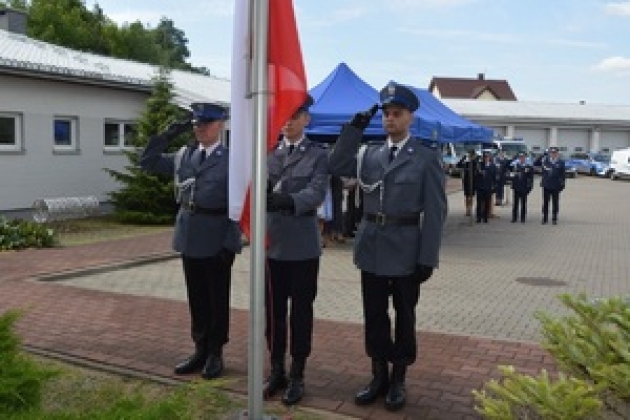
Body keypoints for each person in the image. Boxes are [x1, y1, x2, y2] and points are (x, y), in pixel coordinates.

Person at [328, 83, 447, 412]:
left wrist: (428, 257)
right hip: (372, 248)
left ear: (410, 117)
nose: (390, 119)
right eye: (386, 114)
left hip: (407, 250)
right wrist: (354, 130)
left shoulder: (425, 157)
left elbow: (436, 212)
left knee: (404, 316)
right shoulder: (369, 153)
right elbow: (335, 166)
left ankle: (398, 377)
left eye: (397, 114)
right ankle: (377, 374)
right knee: (374, 315)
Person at [139, 103, 242, 380]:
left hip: (217, 235)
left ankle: (216, 353)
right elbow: (147, 162)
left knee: (217, 299)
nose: (200, 129)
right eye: (196, 124)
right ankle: (199, 349)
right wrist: (166, 135)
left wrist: (231, 243)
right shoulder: (185, 154)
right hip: (189, 234)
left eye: (206, 124)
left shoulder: (232, 159)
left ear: (220, 125)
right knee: (196, 297)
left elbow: (238, 204)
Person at [263, 95, 328, 406]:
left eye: (295, 114)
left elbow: (315, 193)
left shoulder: (317, 155)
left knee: (300, 313)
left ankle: (298, 373)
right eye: (284, 115)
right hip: (272, 246)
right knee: (273, 314)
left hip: (302, 248)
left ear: (307, 119)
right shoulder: (268, 153)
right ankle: (276, 369)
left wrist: (287, 201)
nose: (288, 121)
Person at [540, 146, 566, 224]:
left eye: (555, 153)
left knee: (555, 202)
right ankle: (545, 218)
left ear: (557, 153)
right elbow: (536, 163)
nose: (553, 154)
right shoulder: (545, 161)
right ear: (549, 153)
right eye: (552, 153)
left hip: (556, 185)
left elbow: (563, 175)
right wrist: (543, 155)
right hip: (546, 185)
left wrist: (562, 184)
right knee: (545, 202)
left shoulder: (561, 162)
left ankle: (554, 218)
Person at [510, 152, 534, 223]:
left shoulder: (528, 166)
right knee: (515, 203)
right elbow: (511, 175)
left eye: (523, 157)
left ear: (525, 158)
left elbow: (531, 178)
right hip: (516, 187)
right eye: (520, 157)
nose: (521, 159)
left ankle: (523, 218)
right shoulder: (515, 165)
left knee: (523, 203)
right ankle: (514, 218)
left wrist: (529, 187)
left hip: (524, 187)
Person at [475, 151, 497, 223]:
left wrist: (494, 186)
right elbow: (476, 174)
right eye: (485, 157)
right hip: (480, 187)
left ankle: (485, 217)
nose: (486, 158)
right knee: (479, 203)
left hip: (488, 187)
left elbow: (494, 177)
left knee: (487, 203)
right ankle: (478, 217)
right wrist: (479, 172)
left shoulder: (492, 166)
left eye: (487, 157)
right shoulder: (480, 165)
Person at [456, 149, 478, 216]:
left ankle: (470, 209)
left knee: (471, 196)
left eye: (471, 155)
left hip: (473, 181)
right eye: (469, 155)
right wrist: (463, 158)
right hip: (466, 181)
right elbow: (458, 165)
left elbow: (477, 167)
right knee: (467, 196)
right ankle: (467, 209)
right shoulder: (466, 163)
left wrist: (474, 159)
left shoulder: (475, 162)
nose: (470, 156)